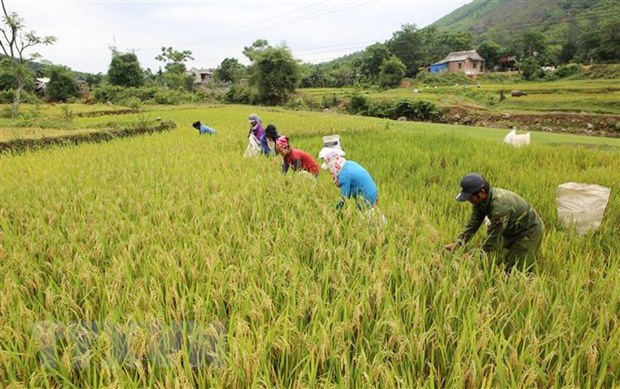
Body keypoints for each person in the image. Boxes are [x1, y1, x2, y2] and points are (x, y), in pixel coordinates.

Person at [444, 173, 545, 272]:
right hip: (512, 227)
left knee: (514, 270)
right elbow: (474, 223)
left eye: (470, 197)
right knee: (506, 254)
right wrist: (458, 243)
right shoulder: (479, 201)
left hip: (529, 230)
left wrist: (474, 255)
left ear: (482, 192)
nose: (469, 200)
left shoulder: (500, 207)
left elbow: (493, 238)